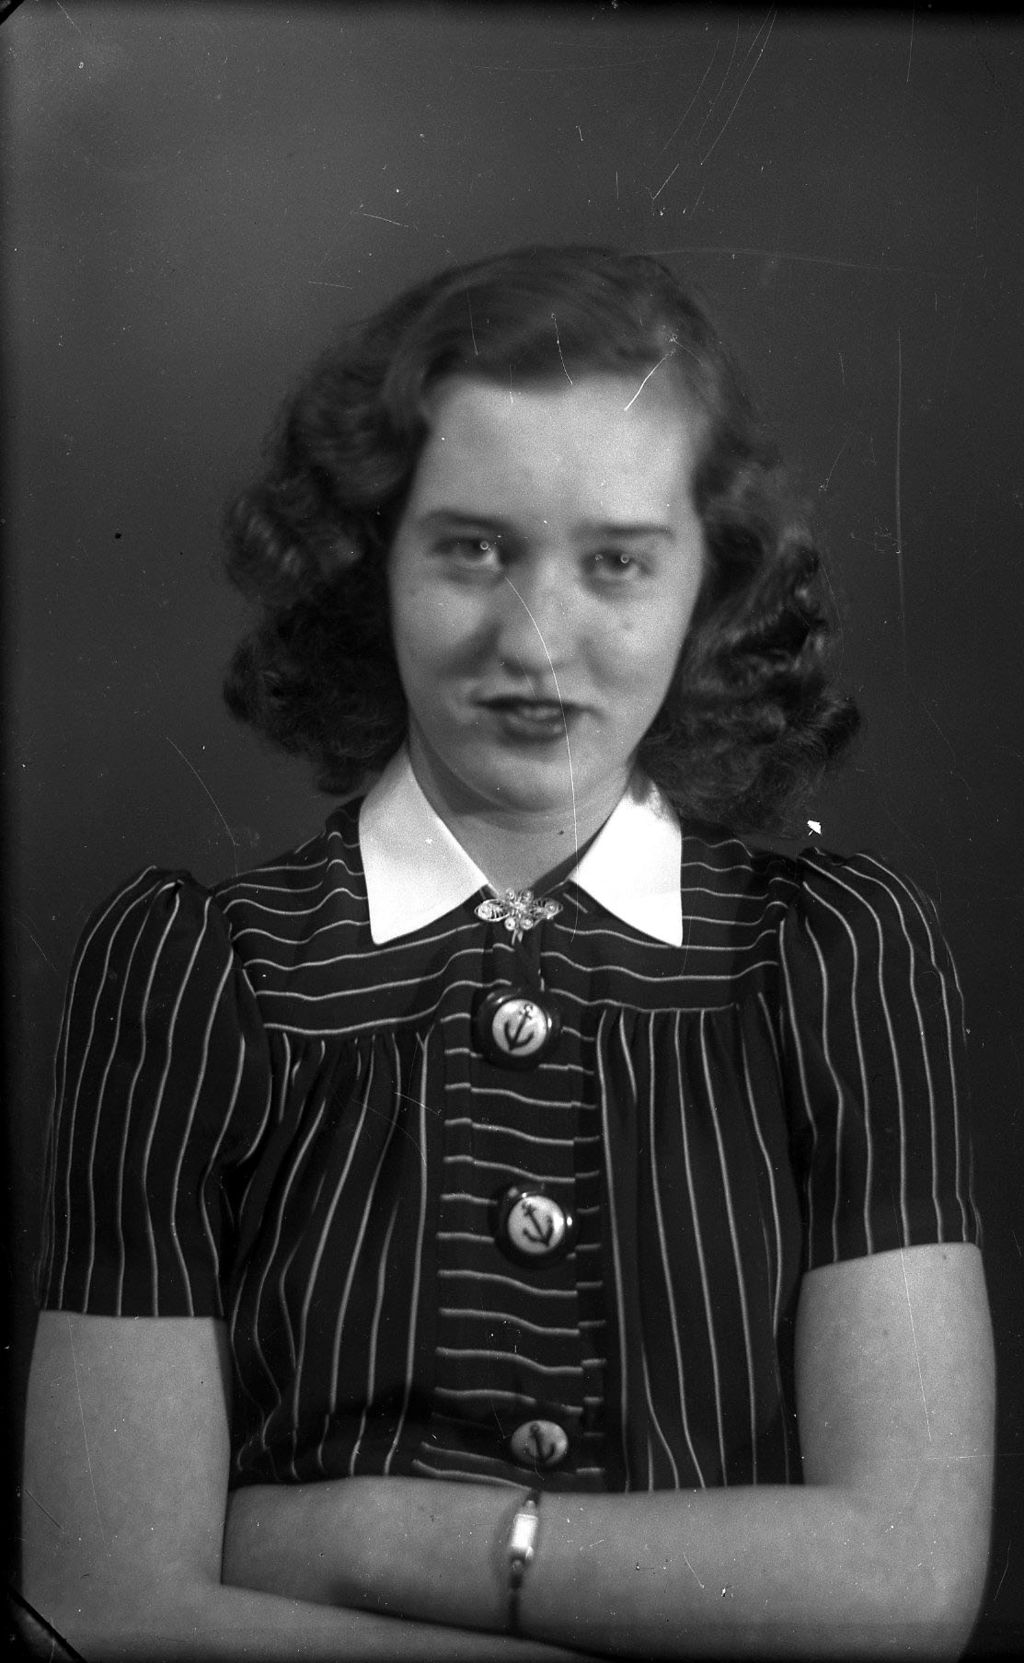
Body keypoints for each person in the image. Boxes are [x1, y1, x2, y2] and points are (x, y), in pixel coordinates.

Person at [20, 245, 994, 1660]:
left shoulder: (832, 961)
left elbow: (905, 1588)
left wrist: (362, 1538)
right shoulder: (199, 977)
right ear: (370, 564)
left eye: (617, 563)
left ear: (712, 586)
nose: (536, 642)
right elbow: (104, 1611)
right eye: (472, 549)